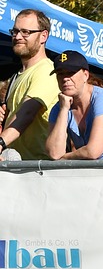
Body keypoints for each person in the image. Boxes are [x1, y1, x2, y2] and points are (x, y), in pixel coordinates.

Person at [44, 50, 103, 160]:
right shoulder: (59, 108)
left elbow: (93, 152)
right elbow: (54, 153)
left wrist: (64, 158)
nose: (65, 78)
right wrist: (64, 110)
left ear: (85, 75)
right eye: (60, 74)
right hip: (91, 172)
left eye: (70, 73)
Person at [0, 8, 58, 161]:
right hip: (16, 167)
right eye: (15, 31)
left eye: (26, 32)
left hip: (37, 171)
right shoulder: (16, 76)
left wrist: (0, 142)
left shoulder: (47, 70)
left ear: (43, 36)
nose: (18, 37)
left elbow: (26, 113)